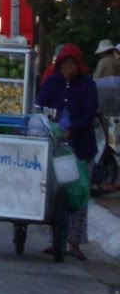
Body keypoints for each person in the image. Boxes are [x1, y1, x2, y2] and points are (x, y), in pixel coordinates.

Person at [37, 43, 99, 260]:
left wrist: (71, 130)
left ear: (79, 65)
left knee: (79, 195)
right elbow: (40, 106)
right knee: (55, 193)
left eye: (73, 64)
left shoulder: (88, 85)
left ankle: (74, 243)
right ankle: (56, 241)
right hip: (55, 147)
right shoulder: (51, 83)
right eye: (65, 64)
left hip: (81, 148)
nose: (69, 68)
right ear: (60, 65)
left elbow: (89, 114)